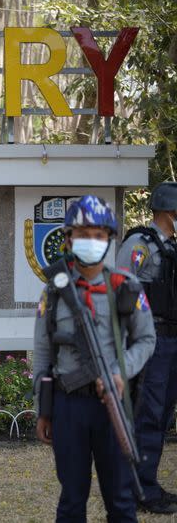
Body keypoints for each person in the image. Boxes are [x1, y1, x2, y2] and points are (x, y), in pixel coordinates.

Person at [33, 195, 155, 522]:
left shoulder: (125, 287)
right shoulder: (54, 291)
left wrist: (120, 371)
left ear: (109, 240)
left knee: (121, 500)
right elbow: (43, 353)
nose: (91, 241)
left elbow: (146, 340)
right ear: (69, 238)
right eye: (84, 234)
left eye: (99, 235)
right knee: (72, 499)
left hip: (113, 401)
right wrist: (43, 411)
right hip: (68, 405)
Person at [117, 182, 177, 514]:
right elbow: (120, 289)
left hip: (172, 342)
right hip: (152, 340)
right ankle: (139, 490)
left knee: (162, 414)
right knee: (149, 415)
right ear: (170, 212)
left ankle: (147, 481)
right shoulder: (140, 244)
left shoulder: (171, 246)